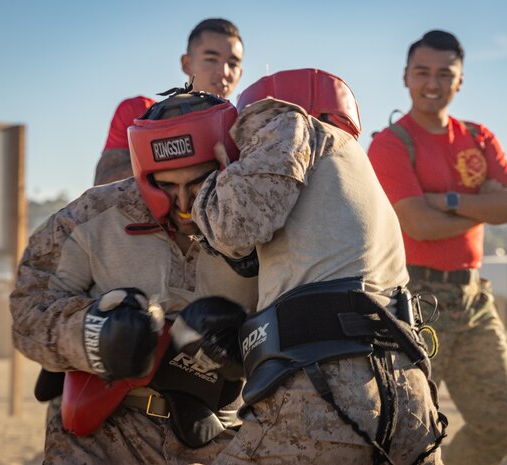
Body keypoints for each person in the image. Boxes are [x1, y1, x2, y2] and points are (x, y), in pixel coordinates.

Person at [188, 68, 446, 465]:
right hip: (409, 393)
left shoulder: (286, 121)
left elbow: (235, 226)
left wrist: (211, 185)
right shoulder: (353, 165)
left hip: (326, 389)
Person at [11, 90, 258, 464]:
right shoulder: (92, 215)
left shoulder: (266, 222)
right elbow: (27, 310)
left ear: (227, 164)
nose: (185, 204)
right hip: (98, 439)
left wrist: (247, 344)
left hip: (218, 439)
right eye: (166, 186)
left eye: (199, 184)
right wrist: (90, 333)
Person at [367, 30, 507, 465]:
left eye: (444, 73)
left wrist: (448, 201)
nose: (432, 83)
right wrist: (485, 206)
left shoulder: (478, 137)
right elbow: (418, 223)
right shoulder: (390, 143)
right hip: (416, 301)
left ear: (460, 82)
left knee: (501, 426)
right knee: (406, 432)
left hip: (475, 300)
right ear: (405, 76)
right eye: (422, 72)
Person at [94, 18, 244, 185]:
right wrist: (183, 147)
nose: (224, 72)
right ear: (187, 64)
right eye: (211, 59)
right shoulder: (139, 113)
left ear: (240, 73)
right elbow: (103, 182)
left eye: (232, 63)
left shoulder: (247, 129)